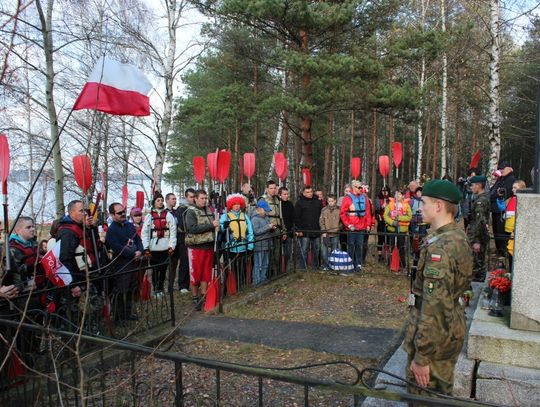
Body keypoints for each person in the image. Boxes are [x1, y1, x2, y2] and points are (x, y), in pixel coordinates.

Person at [404, 179, 473, 399]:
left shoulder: (441, 248)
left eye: (423, 202)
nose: (420, 207)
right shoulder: (456, 237)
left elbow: (435, 306)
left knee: (425, 397)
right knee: (440, 394)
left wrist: (422, 357)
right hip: (449, 329)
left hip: (436, 339)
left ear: (438, 206)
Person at [106, 203, 144, 322]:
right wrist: (132, 254)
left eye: (123, 211)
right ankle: (118, 317)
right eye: (119, 213)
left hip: (134, 262)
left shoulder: (129, 225)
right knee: (121, 290)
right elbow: (116, 247)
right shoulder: (111, 230)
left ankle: (128, 314)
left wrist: (140, 251)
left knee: (131, 289)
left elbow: (137, 239)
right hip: (121, 264)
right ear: (112, 215)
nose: (123, 214)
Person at [184, 189, 219, 310]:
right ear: (196, 199)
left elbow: (213, 225)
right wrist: (211, 225)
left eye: (205, 198)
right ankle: (195, 296)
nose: (204, 201)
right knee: (195, 273)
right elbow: (192, 228)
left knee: (206, 272)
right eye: (202, 198)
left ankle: (204, 294)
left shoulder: (209, 210)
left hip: (208, 245)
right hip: (196, 247)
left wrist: (218, 228)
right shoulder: (190, 212)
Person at [141, 191, 177, 297]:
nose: (160, 202)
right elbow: (145, 233)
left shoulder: (168, 215)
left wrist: (172, 246)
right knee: (155, 270)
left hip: (165, 247)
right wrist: (146, 248)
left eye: (161, 200)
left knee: (163, 269)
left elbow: (173, 231)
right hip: (154, 248)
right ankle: (156, 290)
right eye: (158, 200)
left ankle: (161, 288)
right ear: (154, 202)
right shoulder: (149, 216)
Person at [220, 194, 254, 289]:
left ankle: (241, 285)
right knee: (230, 268)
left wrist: (250, 246)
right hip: (230, 248)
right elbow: (220, 229)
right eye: (234, 204)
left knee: (241, 268)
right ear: (231, 205)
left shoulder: (245, 216)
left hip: (243, 247)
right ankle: (229, 287)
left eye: (238, 204)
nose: (237, 206)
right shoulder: (225, 216)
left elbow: (250, 231)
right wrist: (224, 226)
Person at [340, 180, 372, 271]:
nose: (361, 189)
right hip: (352, 227)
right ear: (353, 187)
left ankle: (358, 264)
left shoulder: (364, 198)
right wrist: (348, 225)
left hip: (361, 227)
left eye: (361, 187)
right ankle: (349, 265)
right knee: (350, 246)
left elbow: (368, 212)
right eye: (359, 187)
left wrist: (368, 224)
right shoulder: (347, 198)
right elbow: (343, 213)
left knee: (359, 246)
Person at [466, 175, 490, 282]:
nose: (471, 188)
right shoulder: (480, 198)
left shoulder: (481, 200)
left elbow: (480, 222)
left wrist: (477, 241)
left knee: (478, 265)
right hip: (476, 235)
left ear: (479, 185)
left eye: (472, 185)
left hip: (478, 237)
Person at [489, 161, 516, 256]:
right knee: (496, 233)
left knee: (501, 234)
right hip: (496, 210)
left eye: (503, 168)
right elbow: (492, 191)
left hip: (502, 211)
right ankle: (499, 251)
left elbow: (501, 194)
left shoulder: (511, 179)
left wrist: (493, 195)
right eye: (500, 168)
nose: (501, 170)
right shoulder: (501, 179)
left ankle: (502, 253)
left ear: (509, 168)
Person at [294, 186, 323, 269]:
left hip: (316, 230)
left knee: (316, 249)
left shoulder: (318, 202)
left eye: (310, 191)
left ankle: (315, 266)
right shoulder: (299, 203)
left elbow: (322, 215)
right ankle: (303, 267)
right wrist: (299, 229)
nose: (309, 193)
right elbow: (296, 217)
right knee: (304, 249)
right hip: (304, 230)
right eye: (307, 192)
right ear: (303, 193)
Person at [383, 190, 412, 272]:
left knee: (401, 247)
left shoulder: (406, 205)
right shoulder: (390, 204)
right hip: (392, 229)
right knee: (392, 246)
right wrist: (392, 222)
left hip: (402, 230)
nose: (398, 196)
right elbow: (385, 215)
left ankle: (403, 265)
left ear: (402, 196)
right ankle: (391, 264)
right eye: (396, 194)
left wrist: (399, 218)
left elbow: (409, 217)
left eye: (399, 194)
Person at [502, 180, 526, 270]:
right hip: (507, 230)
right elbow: (503, 208)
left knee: (513, 254)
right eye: (512, 187)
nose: (512, 189)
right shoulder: (511, 199)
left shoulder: (522, 201)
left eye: (515, 188)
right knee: (509, 253)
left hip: (514, 231)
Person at [175, 188, 195, 293]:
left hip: (194, 237)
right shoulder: (181, 209)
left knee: (193, 261)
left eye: (194, 197)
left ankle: (194, 282)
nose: (193, 199)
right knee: (185, 261)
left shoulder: (196, 208)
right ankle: (183, 285)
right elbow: (182, 224)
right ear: (186, 197)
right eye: (191, 197)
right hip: (183, 237)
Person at [251, 201, 276, 285]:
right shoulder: (254, 219)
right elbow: (256, 231)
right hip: (259, 245)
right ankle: (257, 281)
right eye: (265, 210)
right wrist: (267, 227)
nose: (266, 212)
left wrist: (272, 228)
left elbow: (267, 228)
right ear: (259, 209)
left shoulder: (266, 217)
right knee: (259, 264)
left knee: (265, 263)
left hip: (267, 243)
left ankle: (263, 278)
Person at [319, 194, 340, 270]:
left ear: (335, 201)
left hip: (335, 233)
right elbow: (321, 222)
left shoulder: (339, 210)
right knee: (324, 251)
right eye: (329, 201)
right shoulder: (324, 210)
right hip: (326, 234)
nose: (330, 202)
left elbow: (341, 221)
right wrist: (323, 231)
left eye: (332, 201)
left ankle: (333, 266)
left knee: (334, 251)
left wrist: (338, 228)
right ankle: (326, 265)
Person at [165, 193, 180, 293]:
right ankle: (162, 287)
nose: (174, 201)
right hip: (167, 241)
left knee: (174, 265)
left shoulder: (177, 212)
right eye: (172, 199)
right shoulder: (164, 213)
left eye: (175, 199)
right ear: (167, 200)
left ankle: (171, 286)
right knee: (167, 265)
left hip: (178, 240)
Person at [278, 187, 295, 262]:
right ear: (280, 195)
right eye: (284, 194)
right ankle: (278, 270)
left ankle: (287, 268)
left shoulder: (290, 204)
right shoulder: (278, 204)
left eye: (287, 194)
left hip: (289, 232)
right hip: (278, 231)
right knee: (277, 253)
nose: (286, 195)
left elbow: (293, 218)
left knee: (288, 252)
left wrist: (293, 228)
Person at [375, 185, 391, 262]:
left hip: (389, 221)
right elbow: (377, 209)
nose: (384, 192)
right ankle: (380, 255)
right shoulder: (378, 199)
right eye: (383, 191)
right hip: (381, 220)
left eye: (386, 191)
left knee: (387, 238)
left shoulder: (391, 199)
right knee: (380, 238)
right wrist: (382, 206)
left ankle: (387, 255)